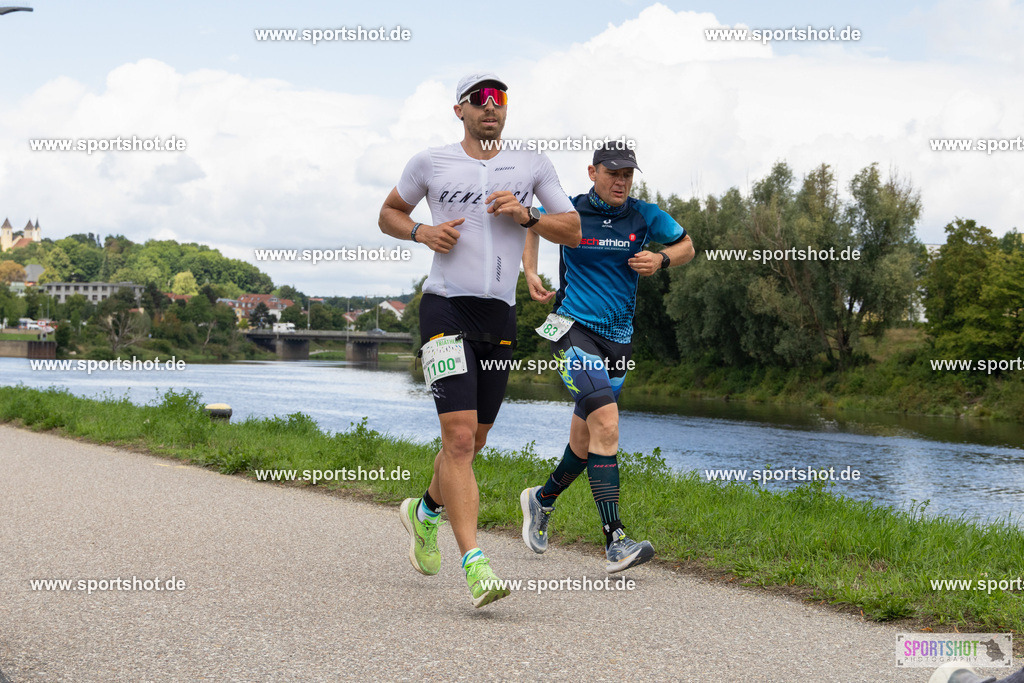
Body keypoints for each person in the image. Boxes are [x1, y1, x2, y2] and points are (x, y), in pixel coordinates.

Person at [378, 72, 581, 607]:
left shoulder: (531, 164)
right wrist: (421, 232)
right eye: (480, 99)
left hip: (500, 318)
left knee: (477, 440)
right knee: (460, 439)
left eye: (500, 98)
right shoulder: (432, 162)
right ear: (459, 109)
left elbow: (573, 229)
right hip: (445, 308)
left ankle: (424, 512)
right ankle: (476, 564)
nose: (491, 106)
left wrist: (527, 213)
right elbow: (388, 213)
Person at [519, 141, 694, 572]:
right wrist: (529, 270)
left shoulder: (645, 216)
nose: (621, 181)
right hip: (573, 330)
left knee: (585, 443)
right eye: (613, 173)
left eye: (628, 174)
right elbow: (529, 223)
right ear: (593, 171)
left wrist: (662, 258)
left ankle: (541, 501)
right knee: (608, 425)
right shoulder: (573, 211)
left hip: (619, 341)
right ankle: (616, 539)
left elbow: (688, 245)